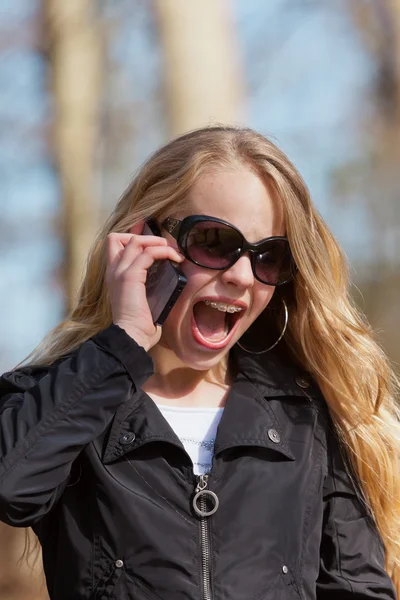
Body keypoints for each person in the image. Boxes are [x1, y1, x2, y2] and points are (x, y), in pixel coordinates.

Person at [0, 126, 398, 600]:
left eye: (268, 257)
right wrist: (123, 342)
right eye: (214, 241)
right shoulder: (65, 396)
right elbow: (11, 485)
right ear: (143, 239)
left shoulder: (306, 416)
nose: (242, 276)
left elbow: (359, 589)